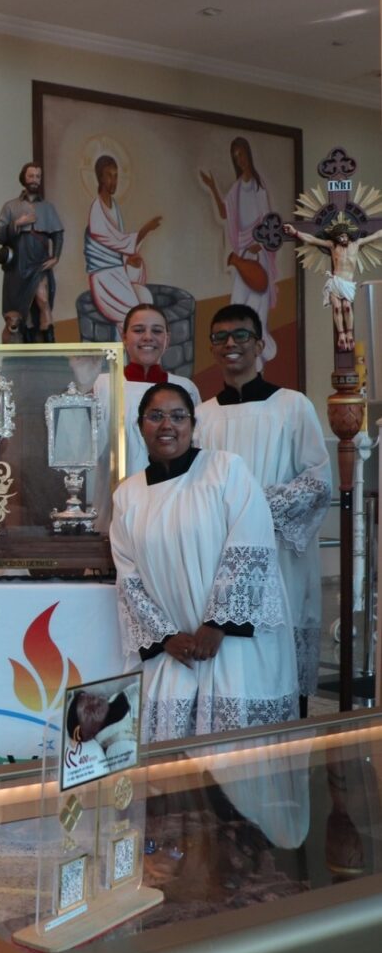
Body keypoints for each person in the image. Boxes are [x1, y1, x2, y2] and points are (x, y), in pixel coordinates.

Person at [110, 382, 299, 743]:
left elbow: (250, 547)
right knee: (172, 772)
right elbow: (129, 577)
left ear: (193, 425)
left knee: (235, 763)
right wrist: (165, 636)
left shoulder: (226, 470)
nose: (167, 425)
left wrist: (217, 623)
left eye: (178, 416)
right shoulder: (128, 495)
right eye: (156, 416)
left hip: (232, 645)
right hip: (173, 652)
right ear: (140, 426)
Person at [194, 304, 331, 714]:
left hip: (279, 555)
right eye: (220, 337)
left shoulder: (292, 406)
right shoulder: (202, 414)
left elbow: (317, 480)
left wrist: (253, 511)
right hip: (220, 558)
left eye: (240, 335)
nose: (230, 344)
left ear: (260, 344)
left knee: (279, 662)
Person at [92, 303, 200, 533]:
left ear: (168, 339)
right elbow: (90, 448)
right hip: (116, 507)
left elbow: (196, 449)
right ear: (123, 336)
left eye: (157, 331)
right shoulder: (103, 384)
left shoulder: (184, 388)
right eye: (139, 330)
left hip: (174, 511)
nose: (148, 337)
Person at [200, 137, 279, 364]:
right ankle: (248, 361)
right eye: (236, 157)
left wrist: (261, 242)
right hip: (243, 255)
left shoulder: (258, 186)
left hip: (258, 257)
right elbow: (225, 213)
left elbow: (268, 221)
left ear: (248, 154)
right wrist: (212, 187)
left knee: (257, 317)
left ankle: (258, 368)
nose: (240, 160)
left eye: (242, 154)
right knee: (236, 310)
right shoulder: (236, 189)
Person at [283, 216, 382, 352]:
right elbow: (312, 239)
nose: (342, 239)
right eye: (339, 237)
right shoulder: (332, 246)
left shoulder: (357, 244)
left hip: (347, 283)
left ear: (347, 235)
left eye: (344, 236)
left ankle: (349, 334)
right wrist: (295, 232)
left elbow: (376, 235)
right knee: (337, 308)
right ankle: (341, 335)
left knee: (347, 307)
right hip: (336, 281)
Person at [84, 154, 162, 326]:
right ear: (100, 178)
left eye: (116, 175)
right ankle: (124, 352)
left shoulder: (115, 207)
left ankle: (139, 352)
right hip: (104, 276)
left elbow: (119, 246)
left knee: (145, 297)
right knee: (133, 315)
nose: (114, 180)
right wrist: (144, 230)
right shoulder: (97, 209)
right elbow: (114, 241)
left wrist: (129, 260)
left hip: (118, 270)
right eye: (109, 176)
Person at [0, 162, 64, 343]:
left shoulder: (48, 207)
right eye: (31, 176)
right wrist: (18, 222)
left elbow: (57, 234)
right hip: (17, 265)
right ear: (24, 177)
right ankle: (27, 340)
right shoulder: (10, 206)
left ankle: (48, 341)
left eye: (38, 176)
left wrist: (55, 256)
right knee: (18, 309)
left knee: (43, 301)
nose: (34, 180)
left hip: (39, 263)